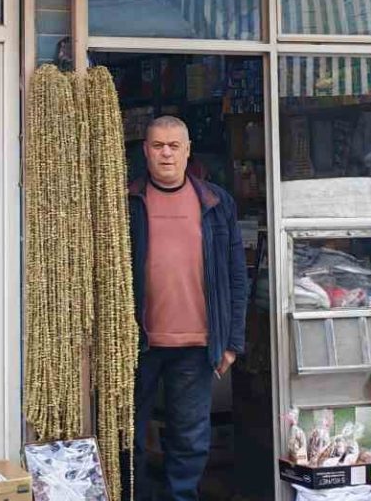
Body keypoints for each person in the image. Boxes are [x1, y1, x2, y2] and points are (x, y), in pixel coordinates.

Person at [128, 115, 249, 500]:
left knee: (190, 439)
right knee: (127, 434)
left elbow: (236, 275)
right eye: (158, 146)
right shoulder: (127, 201)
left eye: (174, 146)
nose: (166, 153)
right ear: (146, 150)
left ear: (187, 151)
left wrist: (232, 342)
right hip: (136, 344)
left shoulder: (215, 202)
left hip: (196, 343)